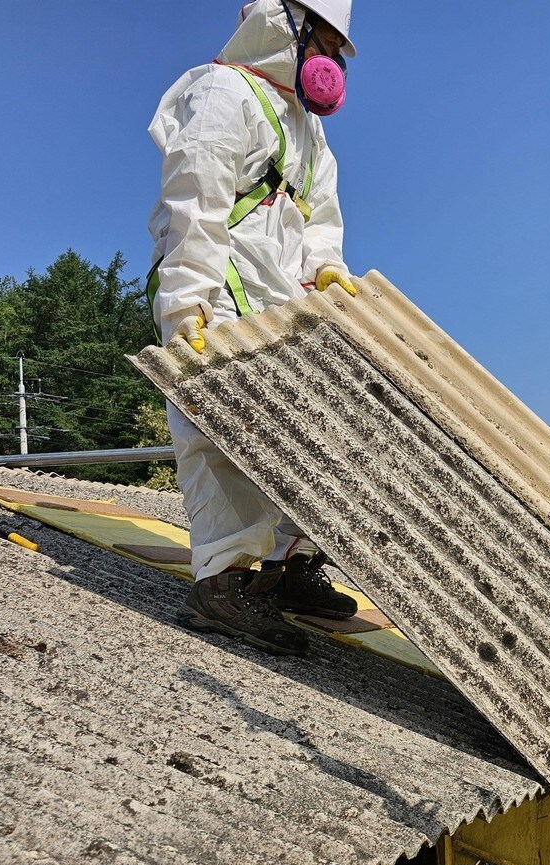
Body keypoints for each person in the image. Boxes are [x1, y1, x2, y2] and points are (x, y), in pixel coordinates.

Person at [147, 0, 361, 655]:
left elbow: (320, 217)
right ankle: (223, 581)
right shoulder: (222, 93)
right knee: (218, 434)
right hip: (221, 288)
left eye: (334, 46)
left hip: (283, 297)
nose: (326, 59)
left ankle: (290, 567)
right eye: (321, 38)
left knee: (313, 433)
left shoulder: (309, 130)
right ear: (285, 23)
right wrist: (186, 301)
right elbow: (194, 202)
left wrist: (326, 267)